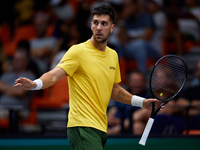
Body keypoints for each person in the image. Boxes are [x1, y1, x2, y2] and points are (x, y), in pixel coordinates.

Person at [14, 5, 162, 150]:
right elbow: (53, 75)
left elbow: (114, 90)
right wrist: (35, 84)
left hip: (100, 128)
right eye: (96, 23)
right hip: (82, 127)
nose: (99, 27)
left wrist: (142, 102)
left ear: (112, 28)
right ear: (91, 25)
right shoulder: (77, 51)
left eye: (104, 23)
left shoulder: (113, 55)